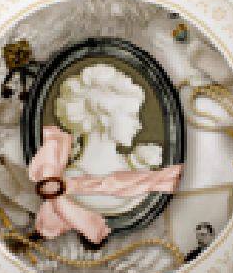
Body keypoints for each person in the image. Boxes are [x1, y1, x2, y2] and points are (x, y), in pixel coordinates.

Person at [56, 63, 163, 215]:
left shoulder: (136, 165)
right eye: (132, 116)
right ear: (104, 118)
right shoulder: (73, 180)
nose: (138, 125)